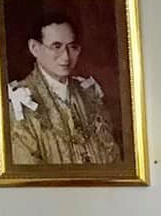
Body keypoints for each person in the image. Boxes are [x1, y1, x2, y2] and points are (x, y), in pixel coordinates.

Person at [7, 11, 118, 165]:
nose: (66, 57)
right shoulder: (19, 101)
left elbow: (111, 156)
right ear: (34, 48)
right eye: (56, 46)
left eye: (72, 47)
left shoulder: (89, 93)